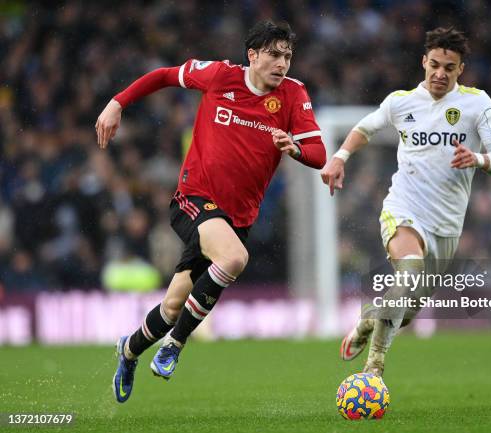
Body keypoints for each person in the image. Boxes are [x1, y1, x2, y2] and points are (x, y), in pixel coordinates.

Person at [96, 20, 326, 403]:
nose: (282, 63)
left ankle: (129, 350)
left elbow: (318, 154)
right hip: (193, 198)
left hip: (238, 218)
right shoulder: (220, 75)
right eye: (273, 54)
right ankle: (176, 345)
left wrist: (294, 147)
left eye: (287, 56)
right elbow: (166, 75)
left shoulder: (293, 94)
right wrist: (117, 102)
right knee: (235, 258)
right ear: (252, 56)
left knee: (172, 306)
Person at [320, 27, 491, 376]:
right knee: (408, 275)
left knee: (405, 311)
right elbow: (365, 128)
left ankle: (368, 321)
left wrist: (478, 159)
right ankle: (374, 367)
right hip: (403, 209)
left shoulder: (477, 103)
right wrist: (340, 157)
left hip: (446, 226)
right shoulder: (401, 102)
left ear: (460, 70)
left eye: (449, 68)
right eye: (434, 64)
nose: (440, 73)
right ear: (424, 62)